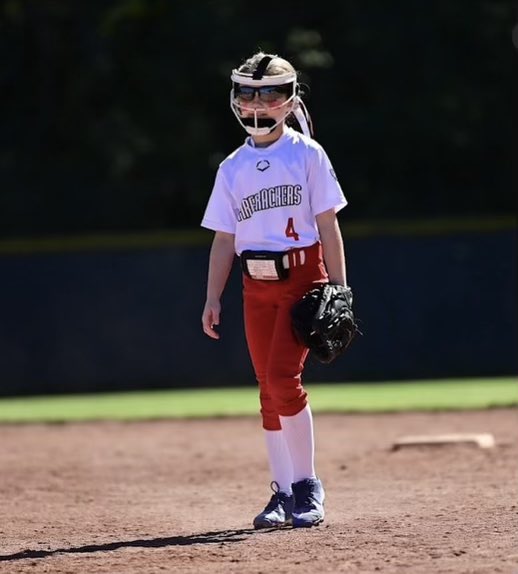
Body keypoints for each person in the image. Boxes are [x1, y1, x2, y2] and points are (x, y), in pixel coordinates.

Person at [200, 51, 349, 529]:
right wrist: (211, 297)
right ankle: (282, 493)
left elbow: (328, 226)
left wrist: (340, 290)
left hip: (302, 278)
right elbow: (224, 240)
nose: (258, 101)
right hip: (254, 286)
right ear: (235, 99)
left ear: (290, 100)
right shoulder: (232, 167)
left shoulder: (307, 153)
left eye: (271, 92)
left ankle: (307, 486)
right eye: (248, 91)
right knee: (267, 389)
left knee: (284, 379)